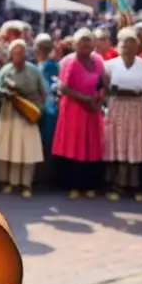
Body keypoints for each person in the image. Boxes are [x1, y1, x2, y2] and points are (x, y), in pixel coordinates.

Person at [102, 28, 142, 201]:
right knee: (117, 146)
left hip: (136, 112)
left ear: (137, 46)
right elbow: (108, 89)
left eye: (131, 43)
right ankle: (116, 186)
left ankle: (136, 187)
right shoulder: (109, 65)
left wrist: (124, 91)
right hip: (116, 112)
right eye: (123, 43)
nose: (126, 46)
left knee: (135, 147)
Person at [52, 28, 105, 198]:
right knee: (74, 146)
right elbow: (64, 87)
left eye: (88, 41)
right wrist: (84, 99)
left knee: (92, 146)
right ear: (75, 44)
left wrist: (98, 99)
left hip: (93, 109)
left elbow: (103, 82)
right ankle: (73, 186)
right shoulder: (70, 62)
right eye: (82, 41)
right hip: (74, 109)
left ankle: (90, 185)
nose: (86, 44)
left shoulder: (97, 61)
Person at [0, 39, 45, 198]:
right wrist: (5, 93)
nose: (20, 57)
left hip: (28, 114)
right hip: (9, 114)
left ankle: (26, 184)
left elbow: (43, 93)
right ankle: (10, 182)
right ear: (11, 56)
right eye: (16, 54)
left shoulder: (34, 71)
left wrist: (34, 105)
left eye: (22, 53)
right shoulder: (5, 70)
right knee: (10, 148)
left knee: (28, 150)